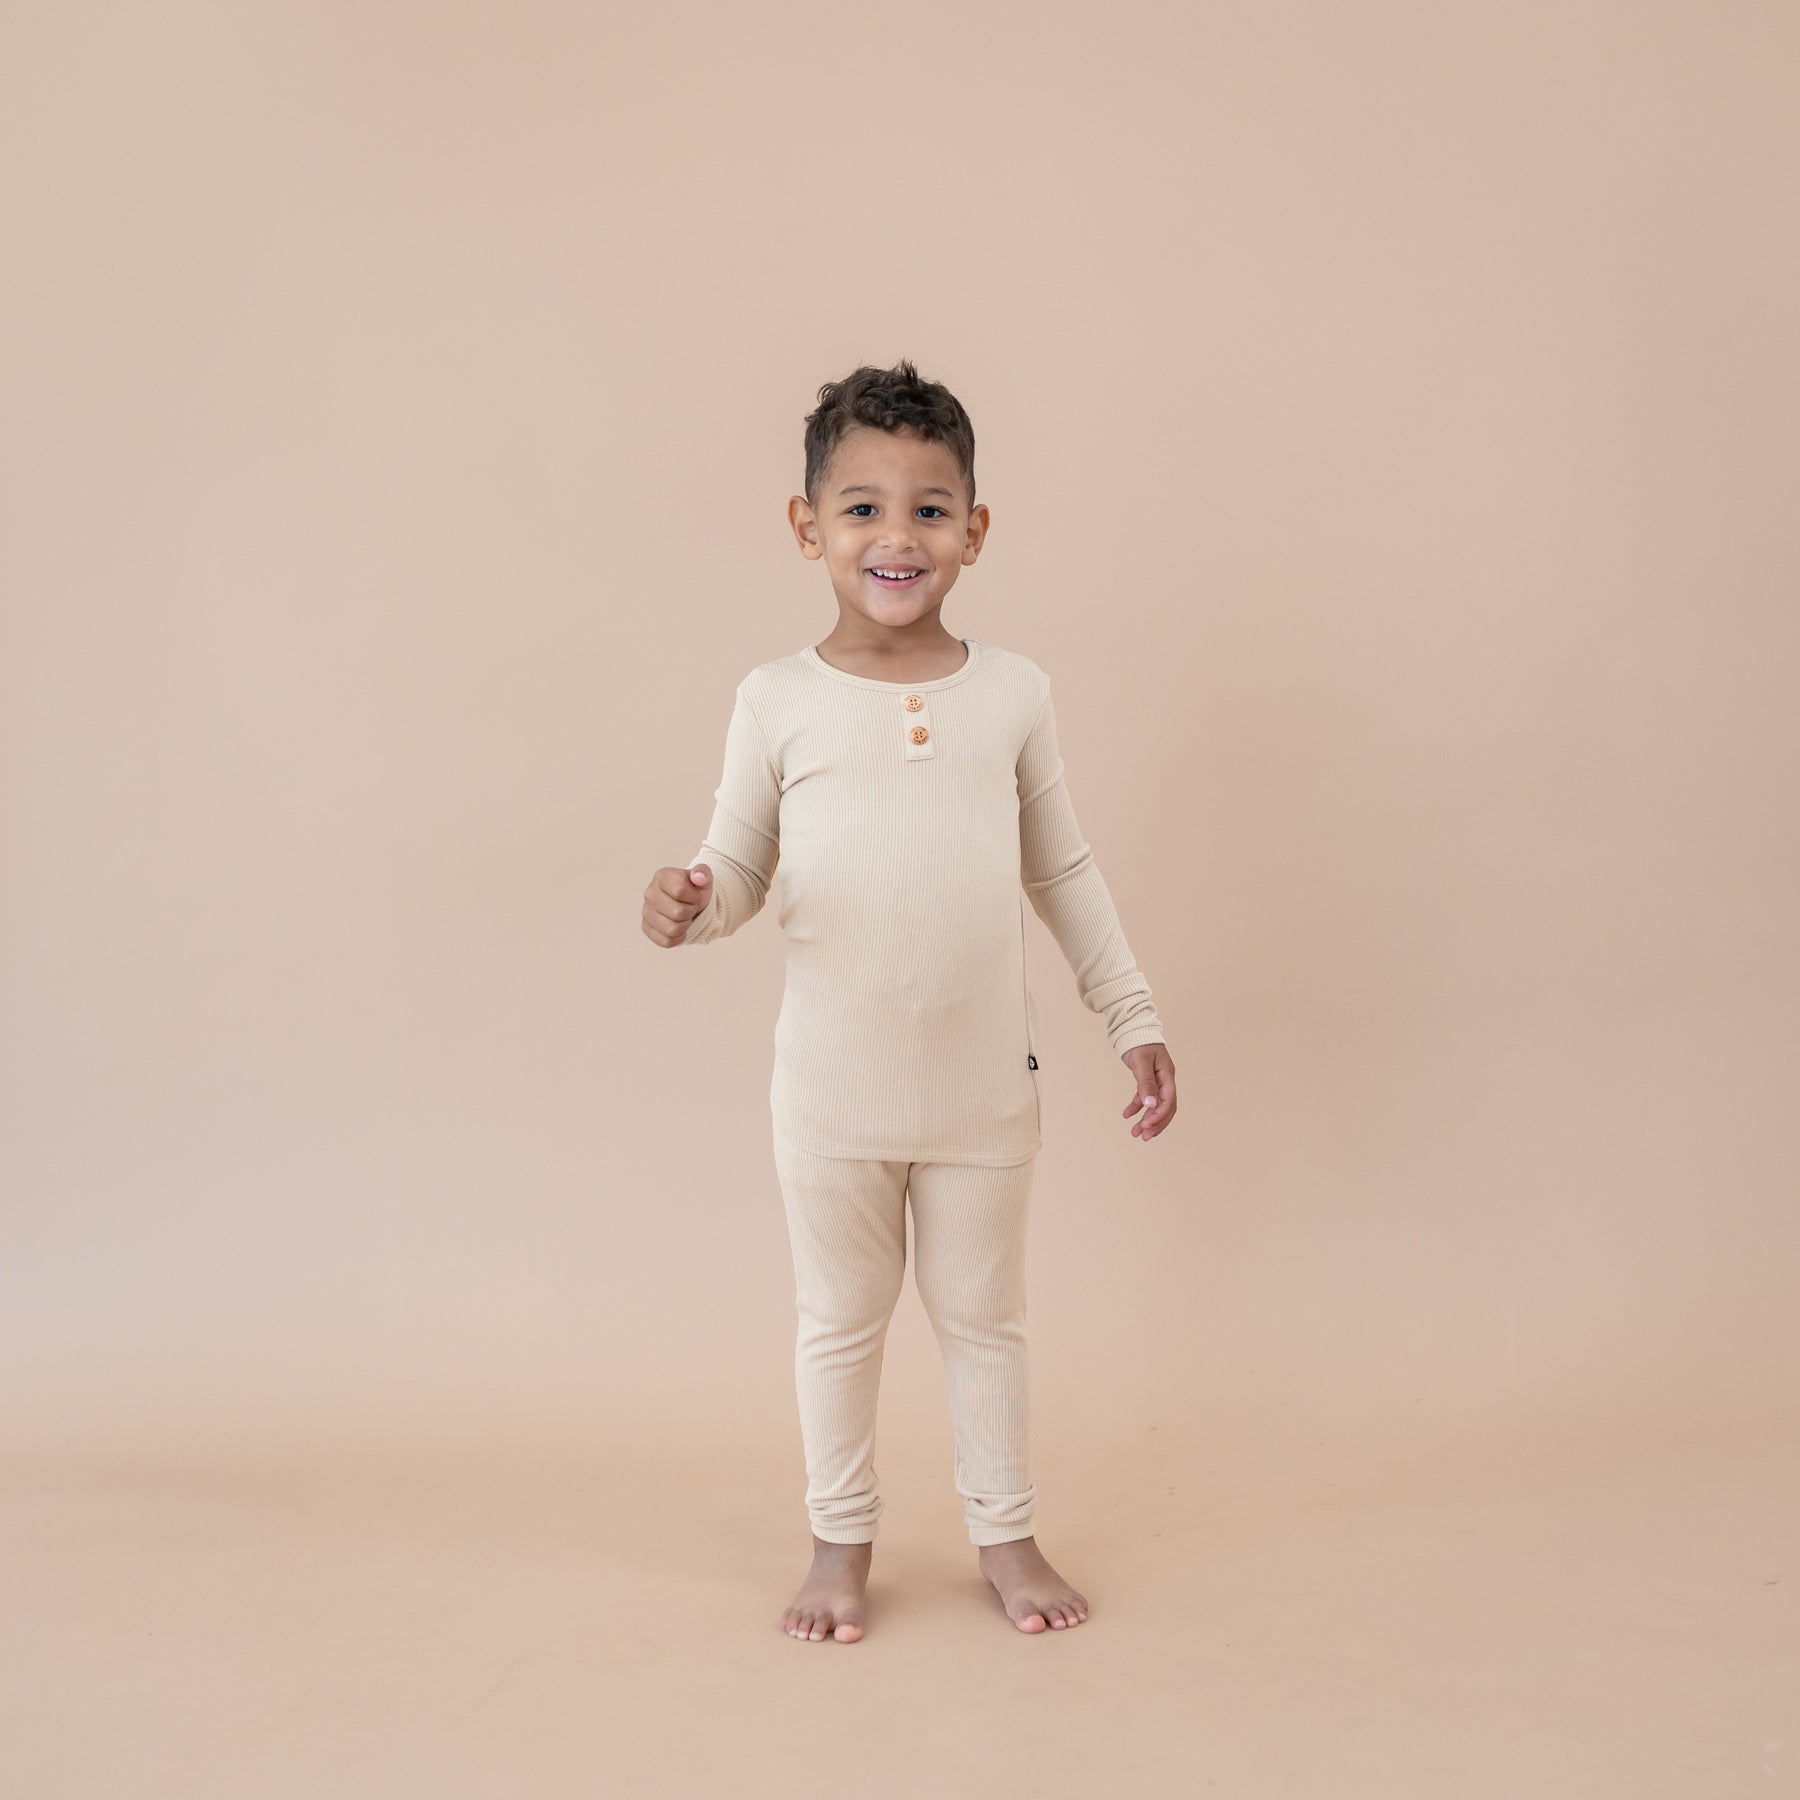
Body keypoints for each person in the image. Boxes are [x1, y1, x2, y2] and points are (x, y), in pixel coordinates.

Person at [641, 359, 1177, 1642]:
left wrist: (1133, 1013)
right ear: (808, 528)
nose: (898, 536)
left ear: (975, 533)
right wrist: (689, 905)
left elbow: (1063, 866)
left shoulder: (1012, 694)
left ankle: (1006, 1533)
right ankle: (840, 1544)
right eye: (865, 508)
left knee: (986, 1320)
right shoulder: (775, 701)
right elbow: (741, 872)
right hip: (831, 1096)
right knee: (840, 1322)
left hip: (985, 1090)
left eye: (932, 509)